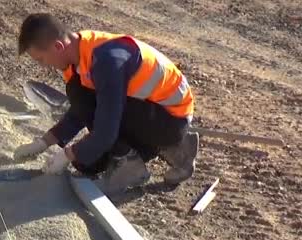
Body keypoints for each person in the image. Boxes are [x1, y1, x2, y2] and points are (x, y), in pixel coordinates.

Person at [13, 13, 199, 193]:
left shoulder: (107, 60)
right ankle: (175, 149)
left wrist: (67, 154)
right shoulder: (78, 56)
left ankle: (133, 163)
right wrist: (46, 141)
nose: (43, 65)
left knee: (90, 132)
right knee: (86, 164)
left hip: (170, 120)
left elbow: (106, 128)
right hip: (148, 113)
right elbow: (81, 111)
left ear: (58, 46)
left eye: (41, 59)